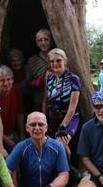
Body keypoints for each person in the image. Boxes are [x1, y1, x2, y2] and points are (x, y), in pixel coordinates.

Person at [42, 48, 82, 183]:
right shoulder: (49, 79)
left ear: (64, 61)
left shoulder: (73, 79)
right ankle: (55, 172)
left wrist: (62, 126)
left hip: (69, 117)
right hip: (52, 117)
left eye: (58, 60)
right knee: (49, 144)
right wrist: (43, 119)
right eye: (52, 61)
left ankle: (67, 171)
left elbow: (72, 108)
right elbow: (45, 101)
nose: (55, 64)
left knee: (62, 144)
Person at [6, 111, 70, 187]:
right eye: (33, 125)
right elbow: (5, 171)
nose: (37, 128)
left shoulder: (57, 147)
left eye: (40, 124)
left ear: (46, 128)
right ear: (27, 128)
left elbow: (64, 175)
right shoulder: (21, 147)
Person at [0, 65, 26, 153]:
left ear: (12, 80)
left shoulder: (16, 91)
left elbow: (20, 113)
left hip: (13, 132)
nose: (6, 83)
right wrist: (5, 139)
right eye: (2, 80)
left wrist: (22, 134)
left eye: (8, 79)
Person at [26, 28, 54, 112]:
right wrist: (34, 83)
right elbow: (27, 83)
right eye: (40, 40)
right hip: (39, 101)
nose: (43, 43)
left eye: (46, 39)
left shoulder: (57, 56)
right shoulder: (32, 61)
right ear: (36, 43)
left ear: (51, 41)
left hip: (57, 99)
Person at [7, 48, 31, 116]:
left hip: (29, 101)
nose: (16, 63)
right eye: (13, 61)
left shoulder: (27, 69)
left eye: (18, 60)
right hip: (14, 103)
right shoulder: (8, 73)